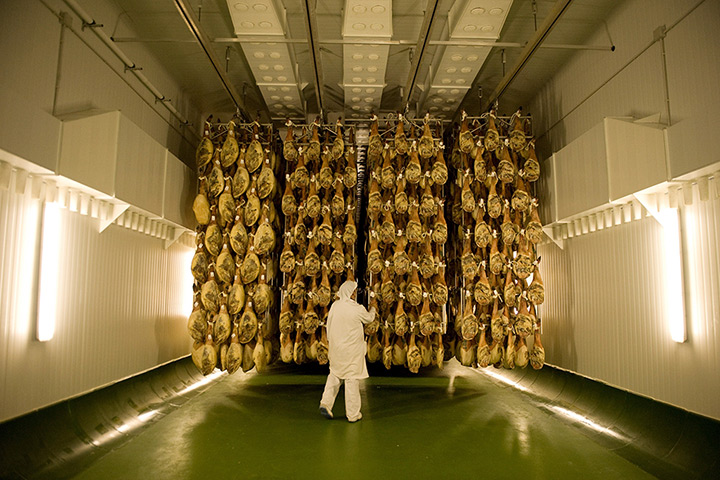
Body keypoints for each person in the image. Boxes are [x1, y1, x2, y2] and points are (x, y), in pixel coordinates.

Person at [319, 280, 376, 423]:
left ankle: (326, 403)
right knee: (351, 380)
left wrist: (329, 343)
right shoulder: (356, 308)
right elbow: (369, 318)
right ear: (350, 293)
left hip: (336, 349)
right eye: (354, 291)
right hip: (351, 351)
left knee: (334, 376)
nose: (355, 293)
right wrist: (373, 307)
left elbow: (328, 326)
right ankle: (353, 414)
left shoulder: (335, 306)